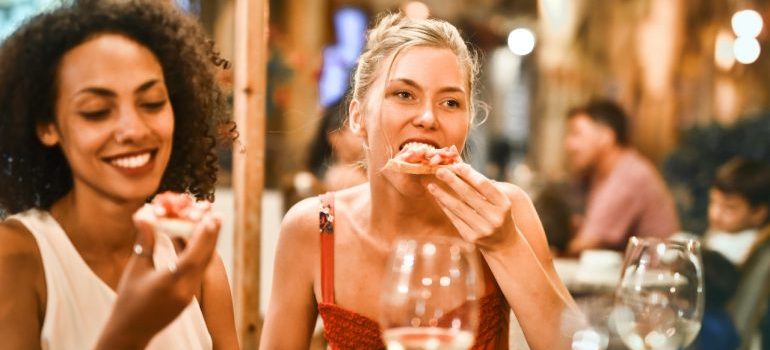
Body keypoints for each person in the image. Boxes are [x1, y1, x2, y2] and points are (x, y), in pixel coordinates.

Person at [261, 12, 577, 349]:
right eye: (403, 95)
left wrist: (505, 244)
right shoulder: (315, 227)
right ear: (357, 118)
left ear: (468, 123)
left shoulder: (506, 210)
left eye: (450, 102)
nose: (427, 118)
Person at [0, 1, 238, 349]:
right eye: (97, 111)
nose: (133, 129)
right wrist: (130, 332)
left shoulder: (195, 265)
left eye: (152, 103)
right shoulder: (17, 257)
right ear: (48, 126)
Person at [563, 99, 679, 255]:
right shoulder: (601, 173)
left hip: (654, 274)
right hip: (631, 272)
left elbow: (586, 243)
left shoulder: (628, 176)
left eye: (576, 134)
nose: (569, 144)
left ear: (606, 137)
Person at [704, 157, 770, 266]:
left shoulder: (746, 248)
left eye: (729, 208)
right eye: (713, 202)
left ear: (759, 213)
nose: (715, 214)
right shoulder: (722, 232)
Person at [306, 96, 367, 192]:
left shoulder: (363, 174)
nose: (365, 132)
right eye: (355, 125)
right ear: (335, 137)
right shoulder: (342, 178)